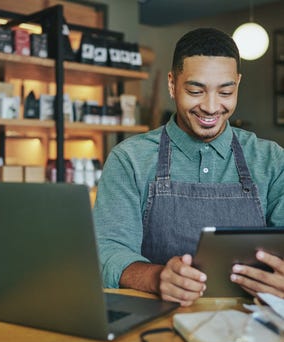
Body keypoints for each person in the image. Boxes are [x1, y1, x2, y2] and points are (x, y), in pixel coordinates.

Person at [93, 28, 284, 306]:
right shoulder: (129, 160)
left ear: (238, 84)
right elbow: (107, 252)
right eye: (195, 90)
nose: (210, 106)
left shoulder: (272, 160)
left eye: (226, 91)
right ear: (172, 84)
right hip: (154, 326)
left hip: (250, 329)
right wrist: (157, 277)